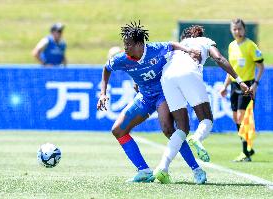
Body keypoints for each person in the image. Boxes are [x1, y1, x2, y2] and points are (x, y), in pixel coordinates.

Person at [97, 21, 206, 184]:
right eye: (124, 44)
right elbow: (107, 68)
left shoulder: (155, 50)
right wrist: (103, 94)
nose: (125, 48)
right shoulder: (122, 59)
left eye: (129, 44)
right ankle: (144, 170)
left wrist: (189, 50)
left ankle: (197, 170)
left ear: (140, 44)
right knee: (118, 130)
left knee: (169, 130)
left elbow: (172, 45)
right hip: (145, 97)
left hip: (164, 93)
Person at [154, 25, 250, 183]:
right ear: (198, 34)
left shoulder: (178, 46)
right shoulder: (205, 41)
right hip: (188, 73)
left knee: (182, 128)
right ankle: (197, 138)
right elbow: (219, 58)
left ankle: (162, 168)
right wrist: (239, 81)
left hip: (167, 77)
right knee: (206, 120)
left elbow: (158, 62)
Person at [220, 19, 264, 162]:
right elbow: (231, 70)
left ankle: (246, 152)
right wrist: (225, 86)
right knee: (236, 119)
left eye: (239, 29)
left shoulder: (251, 46)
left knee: (242, 118)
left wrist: (255, 84)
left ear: (244, 30)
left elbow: (261, 67)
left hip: (248, 86)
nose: (237, 32)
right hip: (234, 85)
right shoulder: (232, 46)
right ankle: (248, 148)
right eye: (235, 29)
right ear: (231, 30)